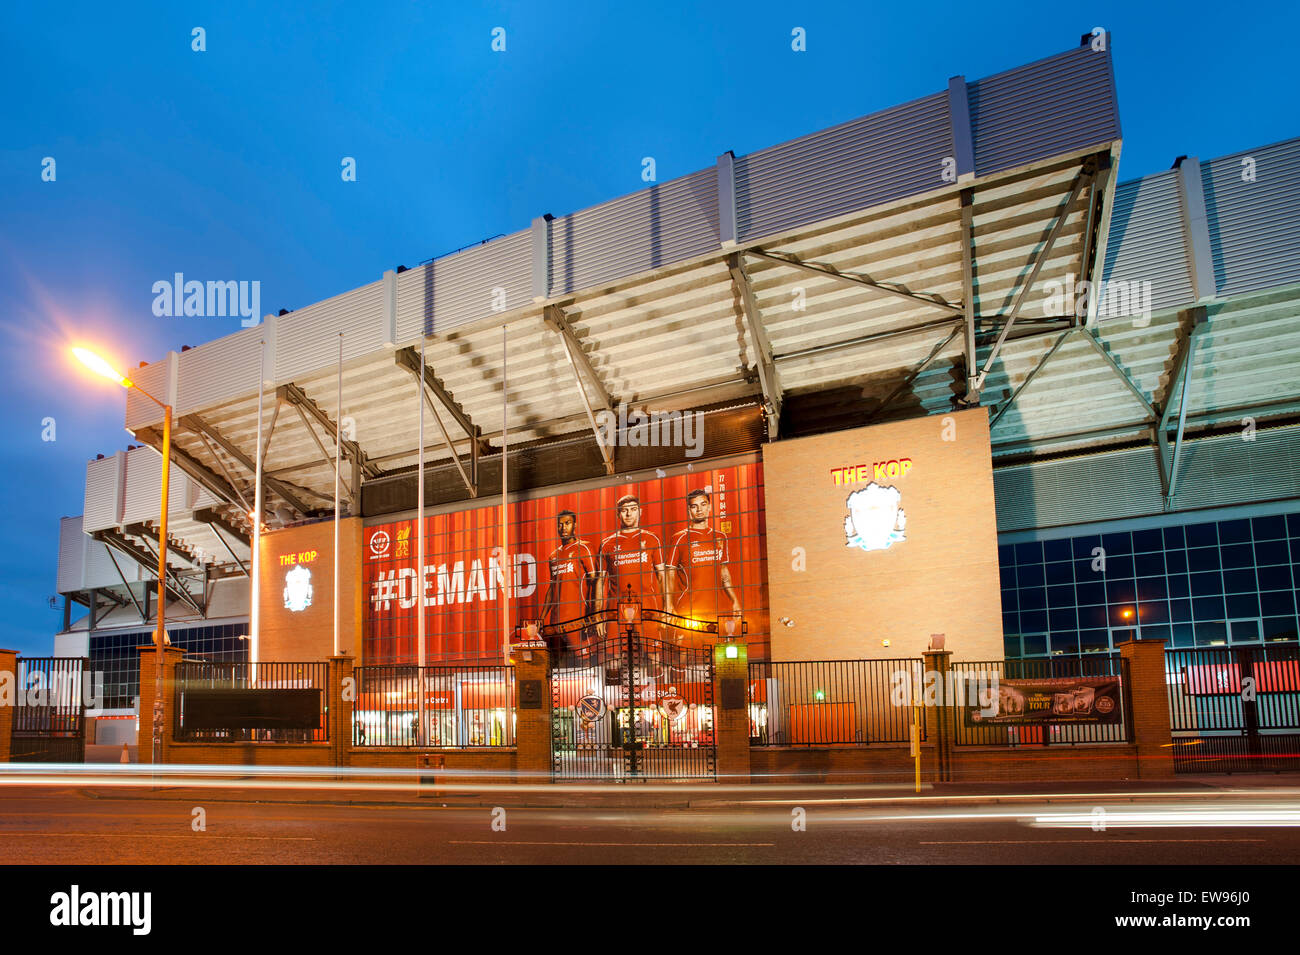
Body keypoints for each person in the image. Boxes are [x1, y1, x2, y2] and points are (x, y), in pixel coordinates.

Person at [666, 489, 741, 643]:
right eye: (694, 506)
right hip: (688, 609)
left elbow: (724, 573)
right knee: (684, 653)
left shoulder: (720, 537)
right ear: (689, 510)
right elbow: (670, 574)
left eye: (703, 504)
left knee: (718, 654)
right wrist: (668, 605)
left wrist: (734, 600)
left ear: (709, 507)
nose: (699, 509)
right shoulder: (679, 538)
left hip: (716, 609)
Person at [596, 495, 667, 637]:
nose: (629, 514)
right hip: (615, 608)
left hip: (647, 606)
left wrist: (666, 609)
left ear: (640, 512)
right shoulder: (607, 544)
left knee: (653, 654)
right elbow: (600, 581)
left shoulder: (652, 539)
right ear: (618, 514)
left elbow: (662, 576)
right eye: (624, 510)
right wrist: (598, 615)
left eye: (633, 509)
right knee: (614, 656)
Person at [539, 509, 598, 648]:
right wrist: (542, 618)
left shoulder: (585, 548)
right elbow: (552, 589)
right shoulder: (553, 556)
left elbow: (595, 584)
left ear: (575, 525)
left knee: (584, 661)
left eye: (567, 523)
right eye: (560, 524)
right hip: (557, 622)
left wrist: (592, 616)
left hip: (578, 619)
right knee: (561, 663)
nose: (563, 527)